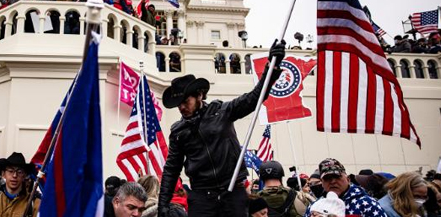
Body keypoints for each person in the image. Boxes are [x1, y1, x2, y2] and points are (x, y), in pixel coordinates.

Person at [158, 41, 286, 217]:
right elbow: (172, 168)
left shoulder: (222, 111)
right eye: (178, 104)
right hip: (202, 197)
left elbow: (254, 98)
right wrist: (162, 204)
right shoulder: (178, 131)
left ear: (199, 96)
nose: (181, 108)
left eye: (185, 102)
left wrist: (272, 67)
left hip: (232, 191)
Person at [304, 158, 387, 217]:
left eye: (337, 177)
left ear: (348, 179)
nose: (333, 181)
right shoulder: (315, 206)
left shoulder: (366, 204)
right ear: (322, 183)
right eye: (327, 178)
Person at [0, 152, 39, 217]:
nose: (15, 175)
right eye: (11, 171)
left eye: (19, 172)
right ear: (3, 174)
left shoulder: (34, 204)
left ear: (24, 175)